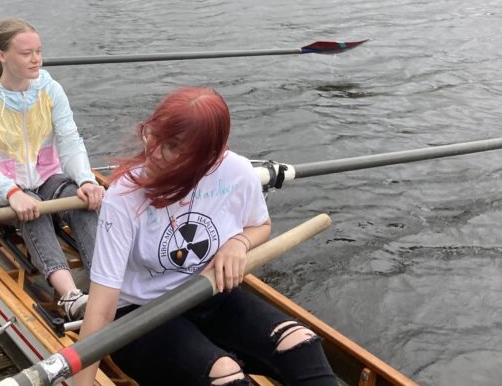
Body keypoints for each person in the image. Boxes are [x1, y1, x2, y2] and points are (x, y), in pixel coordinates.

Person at [74, 88, 336, 386]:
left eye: (172, 146)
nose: (155, 152)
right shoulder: (124, 197)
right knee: (225, 375)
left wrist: (240, 242)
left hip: (209, 293)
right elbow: (102, 307)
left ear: (211, 156)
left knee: (300, 342)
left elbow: (260, 225)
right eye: (153, 135)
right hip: (140, 316)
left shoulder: (237, 172)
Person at [0, 18, 105, 320]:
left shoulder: (50, 89)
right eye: (26, 53)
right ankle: (69, 296)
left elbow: (69, 141)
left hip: (45, 177)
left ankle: (103, 284)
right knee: (33, 208)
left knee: (84, 202)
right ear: (1, 56)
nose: (36, 59)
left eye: (38, 51)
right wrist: (11, 192)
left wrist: (87, 180)